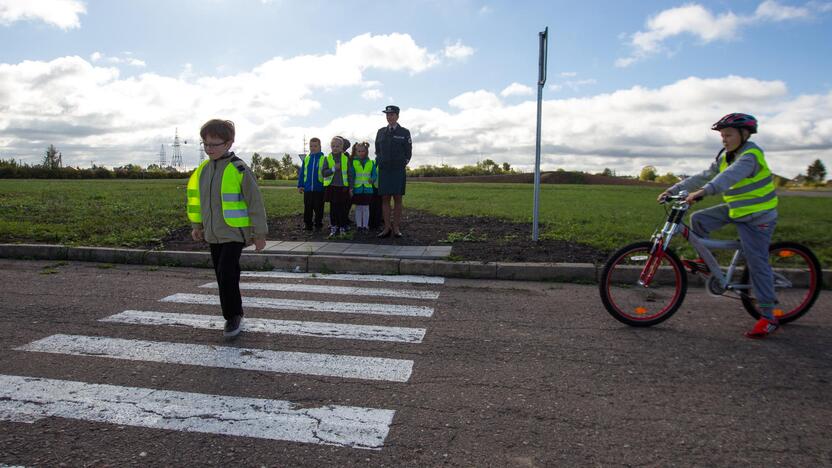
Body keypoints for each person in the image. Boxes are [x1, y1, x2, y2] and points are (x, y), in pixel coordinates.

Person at [658, 113, 779, 339]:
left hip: (758, 217)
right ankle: (706, 262)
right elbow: (705, 174)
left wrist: (703, 192)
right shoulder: (726, 156)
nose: (724, 139)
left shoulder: (750, 156)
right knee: (699, 220)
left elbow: (726, 179)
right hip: (737, 210)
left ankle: (769, 316)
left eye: (729, 135)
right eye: (722, 135)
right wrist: (673, 190)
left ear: (744, 134)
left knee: (756, 261)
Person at [187, 119, 267, 339]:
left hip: (234, 233)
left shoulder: (239, 169)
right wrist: (197, 225)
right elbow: (196, 201)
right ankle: (236, 310)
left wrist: (259, 234)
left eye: (214, 144)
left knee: (226, 273)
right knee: (224, 274)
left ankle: (232, 317)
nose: (209, 149)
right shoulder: (202, 170)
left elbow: (255, 202)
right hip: (213, 234)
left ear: (229, 143)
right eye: (205, 144)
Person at [374, 105, 412, 238]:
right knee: (384, 198)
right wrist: (381, 161)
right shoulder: (380, 132)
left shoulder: (404, 132)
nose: (389, 117)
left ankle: (396, 227)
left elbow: (408, 152)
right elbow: (377, 150)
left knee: (397, 198)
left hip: (397, 170)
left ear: (397, 116)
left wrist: (401, 163)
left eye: (392, 114)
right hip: (384, 170)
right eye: (387, 115)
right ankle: (387, 228)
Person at [321, 136, 354, 238]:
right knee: (334, 209)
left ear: (342, 147)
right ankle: (334, 227)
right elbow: (324, 173)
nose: (335, 148)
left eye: (338, 146)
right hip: (332, 188)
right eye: (333, 146)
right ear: (331, 147)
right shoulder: (328, 158)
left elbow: (350, 174)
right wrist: (333, 169)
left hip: (343, 188)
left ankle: (342, 227)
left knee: (343, 209)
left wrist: (351, 187)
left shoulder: (345, 159)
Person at [297, 137, 325, 231]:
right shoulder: (307, 159)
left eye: (315, 146)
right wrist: (300, 185)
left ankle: (318, 224)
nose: (313, 148)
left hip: (319, 189)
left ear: (320, 147)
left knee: (319, 208)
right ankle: (308, 224)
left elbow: (326, 174)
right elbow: (302, 174)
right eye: (311, 146)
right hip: (308, 189)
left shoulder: (323, 158)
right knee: (308, 208)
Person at [350, 141, 377, 233]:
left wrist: (373, 179)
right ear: (356, 152)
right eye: (359, 151)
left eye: (363, 151)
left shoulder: (371, 162)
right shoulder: (353, 162)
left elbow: (374, 174)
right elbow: (352, 176)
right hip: (357, 189)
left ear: (366, 152)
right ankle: (359, 226)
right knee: (358, 208)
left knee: (365, 208)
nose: (361, 153)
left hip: (368, 189)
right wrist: (351, 188)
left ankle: (365, 226)